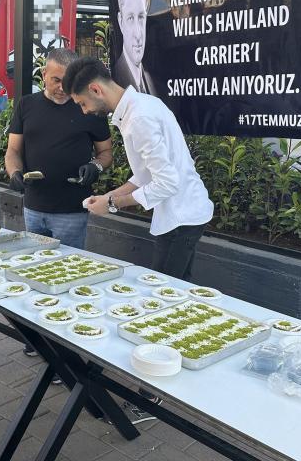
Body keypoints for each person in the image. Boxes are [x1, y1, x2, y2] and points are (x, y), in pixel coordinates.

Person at [65, 57, 213, 421]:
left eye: (83, 103)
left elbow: (166, 183)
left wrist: (113, 204)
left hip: (181, 218)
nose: (84, 111)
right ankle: (171, 377)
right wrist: (109, 196)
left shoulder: (140, 118)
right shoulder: (140, 108)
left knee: (164, 302)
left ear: (96, 90)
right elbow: (144, 174)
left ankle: (153, 395)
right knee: (173, 298)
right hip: (179, 216)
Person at [5, 48, 113, 362]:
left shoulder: (87, 106)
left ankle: (63, 343)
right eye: (55, 80)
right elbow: (13, 150)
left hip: (72, 208)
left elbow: (106, 153)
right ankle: (38, 336)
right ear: (43, 76)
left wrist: (97, 167)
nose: (62, 88)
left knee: (67, 277)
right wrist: (13, 172)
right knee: (34, 273)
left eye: (66, 81)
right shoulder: (27, 104)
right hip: (34, 205)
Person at [113, 0, 157, 97]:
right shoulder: (115, 80)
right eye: (130, 18)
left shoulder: (152, 82)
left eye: (141, 17)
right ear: (121, 22)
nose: (138, 34)